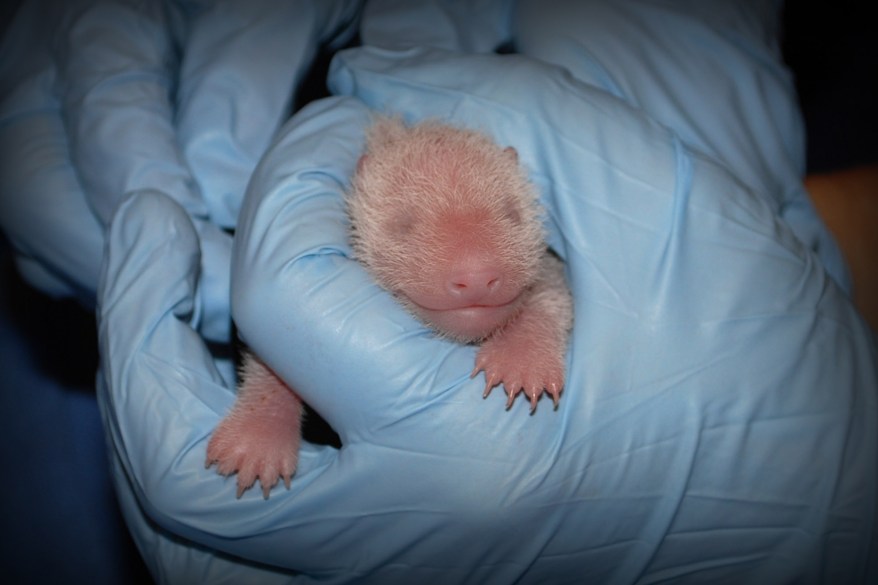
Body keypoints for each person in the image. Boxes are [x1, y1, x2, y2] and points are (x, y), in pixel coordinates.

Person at [3, 1, 876, 583]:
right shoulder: (334, 238)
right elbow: (280, 348)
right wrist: (267, 413)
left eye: (504, 213)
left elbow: (552, 285)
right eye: (410, 229)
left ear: (524, 186)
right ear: (351, 210)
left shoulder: (539, 240)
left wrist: (531, 330)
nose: (477, 263)